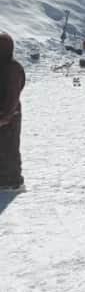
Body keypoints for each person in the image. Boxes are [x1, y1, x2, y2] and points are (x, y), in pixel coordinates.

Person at [0, 33, 26, 191]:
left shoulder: (12, 68)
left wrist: (5, 116)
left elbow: (12, 95)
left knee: (8, 148)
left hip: (9, 116)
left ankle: (12, 181)